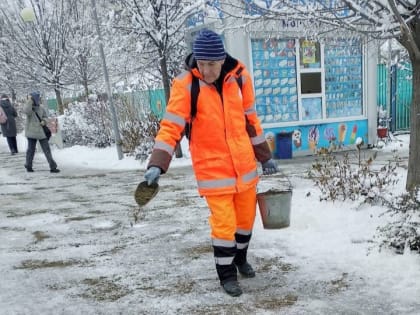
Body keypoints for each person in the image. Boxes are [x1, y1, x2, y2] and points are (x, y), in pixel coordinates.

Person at [144, 29, 278, 297]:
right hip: (213, 171)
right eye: (201, 64)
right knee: (224, 225)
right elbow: (171, 126)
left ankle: (240, 259)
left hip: (245, 167)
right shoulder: (186, 85)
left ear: (222, 60)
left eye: (211, 64)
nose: (206, 70)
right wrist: (158, 163)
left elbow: (251, 121)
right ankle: (226, 276)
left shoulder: (240, 79)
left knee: (245, 221)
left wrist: (265, 157)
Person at [23, 91, 60, 173]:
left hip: (41, 132)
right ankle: (28, 165)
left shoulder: (41, 107)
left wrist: (44, 121)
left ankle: (52, 167)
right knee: (31, 150)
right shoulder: (29, 108)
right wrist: (29, 101)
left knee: (46, 149)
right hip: (32, 132)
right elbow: (26, 111)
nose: (37, 100)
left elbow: (46, 117)